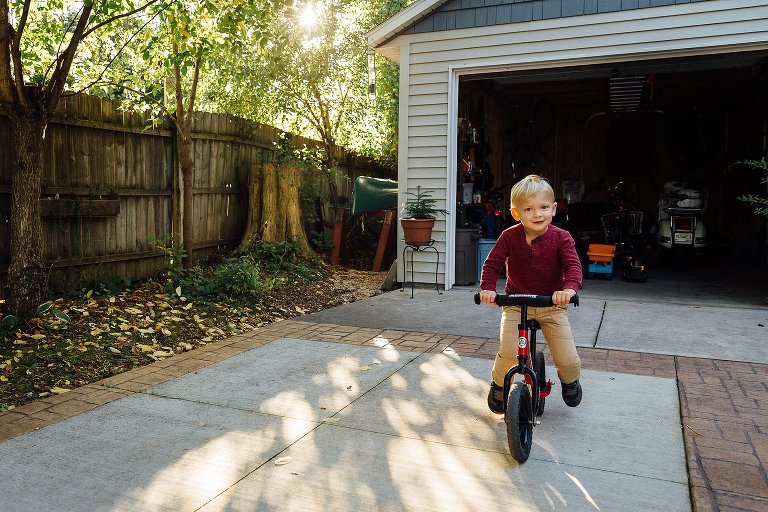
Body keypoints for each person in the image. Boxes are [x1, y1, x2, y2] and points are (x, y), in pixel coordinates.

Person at [478, 174, 583, 412]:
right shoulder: (509, 236)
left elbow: (572, 266)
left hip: (551, 305)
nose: (537, 214)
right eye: (529, 209)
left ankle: (570, 381)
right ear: (516, 213)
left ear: (554, 209)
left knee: (566, 357)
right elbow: (492, 264)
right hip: (516, 303)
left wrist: (568, 289)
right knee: (508, 353)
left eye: (544, 207)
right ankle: (499, 384)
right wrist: (487, 289)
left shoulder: (561, 238)